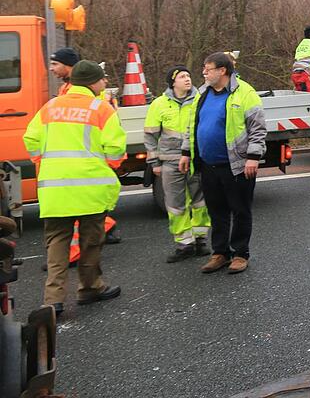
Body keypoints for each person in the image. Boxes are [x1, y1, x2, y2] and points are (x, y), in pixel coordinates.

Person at [22, 60, 123, 316]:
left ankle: (53, 299)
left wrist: (43, 161)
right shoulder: (101, 109)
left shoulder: (50, 107)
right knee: (91, 241)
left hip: (54, 189)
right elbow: (115, 150)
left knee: (57, 242)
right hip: (89, 189)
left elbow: (31, 139)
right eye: (102, 79)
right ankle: (90, 288)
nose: (104, 83)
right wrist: (107, 166)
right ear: (92, 82)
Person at [180, 52, 266, 274]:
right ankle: (219, 253)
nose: (203, 72)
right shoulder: (202, 94)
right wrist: (186, 153)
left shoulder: (245, 93)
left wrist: (253, 158)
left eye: (208, 69)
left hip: (236, 165)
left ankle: (240, 254)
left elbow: (257, 129)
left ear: (222, 71)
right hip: (209, 165)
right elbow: (192, 125)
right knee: (216, 211)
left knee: (240, 211)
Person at [145, 66, 211, 262]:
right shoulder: (159, 104)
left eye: (189, 76)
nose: (187, 79)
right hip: (170, 162)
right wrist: (154, 163)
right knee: (175, 205)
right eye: (182, 77)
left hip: (194, 159)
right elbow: (150, 135)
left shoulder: (200, 99)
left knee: (200, 201)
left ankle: (200, 240)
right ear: (172, 82)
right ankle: (184, 244)